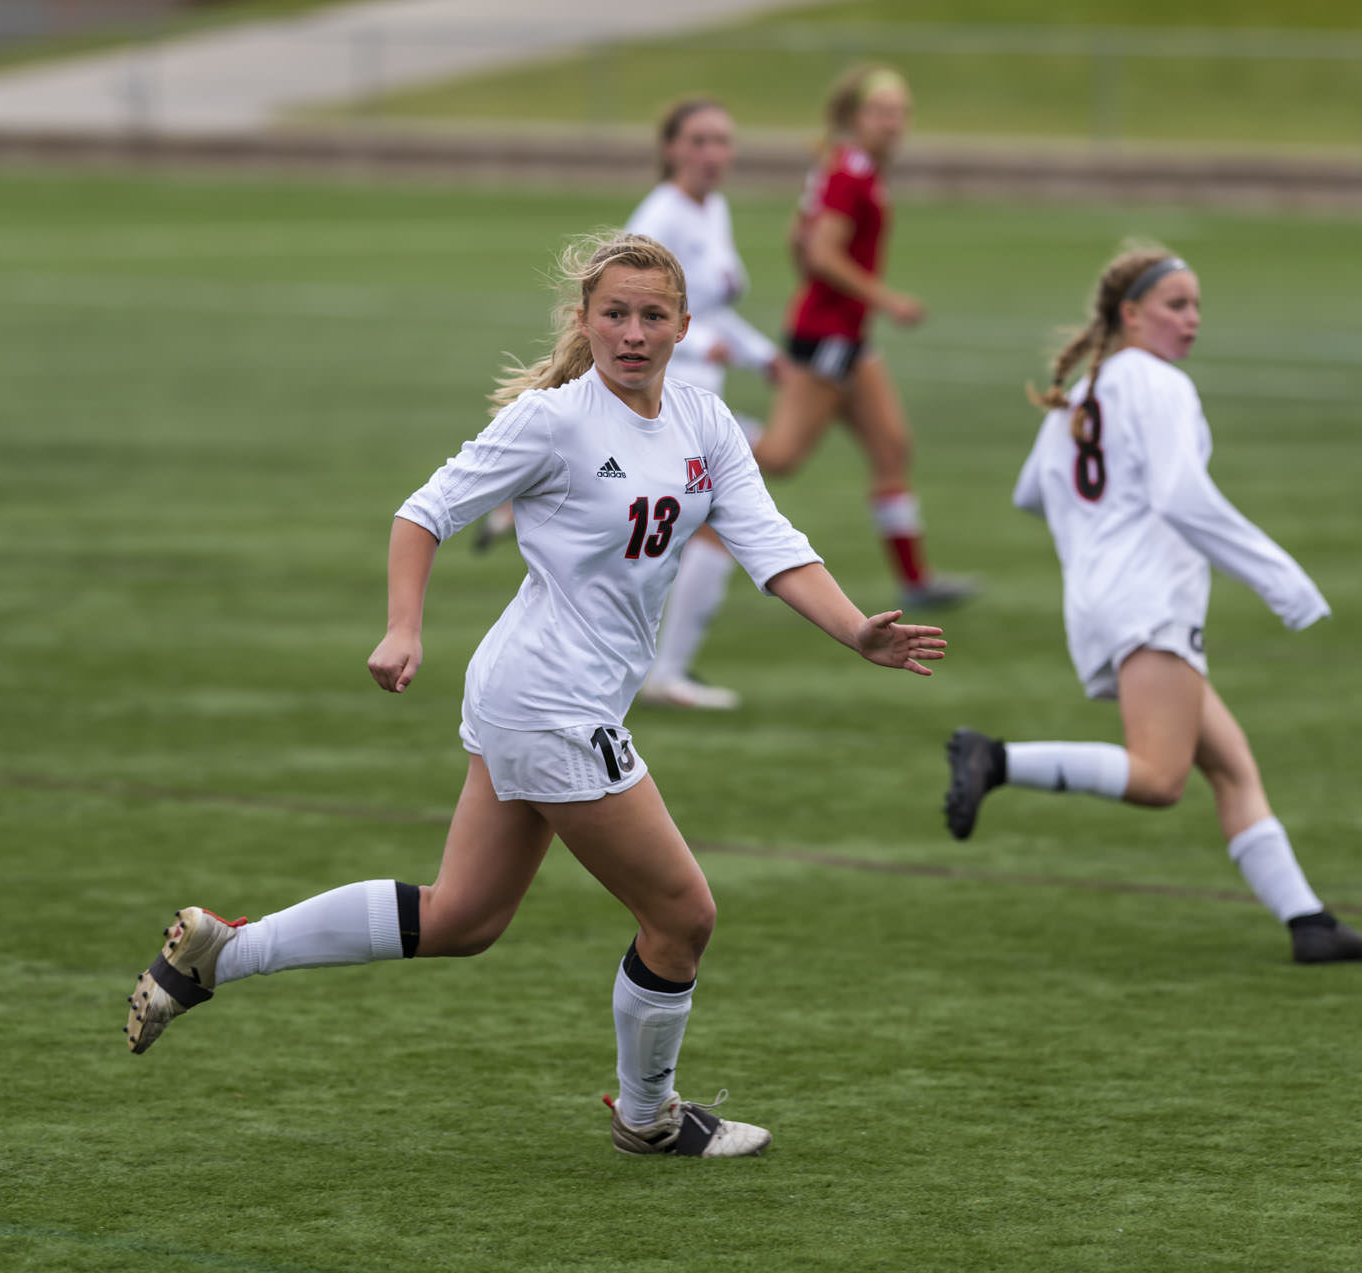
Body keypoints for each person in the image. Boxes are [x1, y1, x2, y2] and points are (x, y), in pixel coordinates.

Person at [126, 231, 948, 1157]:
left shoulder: (707, 423)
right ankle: (649, 1117)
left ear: (684, 326)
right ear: (586, 322)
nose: (632, 333)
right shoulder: (555, 420)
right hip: (549, 704)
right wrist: (404, 626)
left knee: (462, 918)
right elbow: (423, 512)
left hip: (545, 697)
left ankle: (222, 952)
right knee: (682, 914)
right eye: (614, 314)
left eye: (651, 316)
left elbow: (769, 539)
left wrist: (855, 630)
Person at [940, 244, 1362, 965]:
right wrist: (1282, 579)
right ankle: (995, 760)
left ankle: (1309, 922)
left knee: (1233, 766)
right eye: (1177, 305)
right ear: (1131, 314)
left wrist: (1095, 537)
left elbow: (1034, 491)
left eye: (1198, 306)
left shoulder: (1086, 392)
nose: (1194, 321)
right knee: (1159, 778)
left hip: (1100, 601)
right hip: (1151, 600)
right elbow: (1181, 495)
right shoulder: (1159, 384)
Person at [756, 65, 976, 611]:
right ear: (858, 117)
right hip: (828, 337)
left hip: (850, 336)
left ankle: (915, 581)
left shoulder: (851, 167)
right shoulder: (851, 172)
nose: (894, 123)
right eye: (883, 112)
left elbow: (797, 237)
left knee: (891, 448)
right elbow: (821, 252)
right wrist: (887, 298)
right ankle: (688, 454)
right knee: (780, 457)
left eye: (901, 112)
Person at [624, 96, 786, 710]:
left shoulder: (710, 208)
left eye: (723, 140)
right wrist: (709, 347)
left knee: (695, 527)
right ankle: (663, 672)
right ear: (670, 149)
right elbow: (628, 321)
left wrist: (763, 355)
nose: (713, 154)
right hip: (667, 397)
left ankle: (661, 669)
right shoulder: (658, 218)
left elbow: (710, 313)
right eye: (699, 140)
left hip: (701, 400)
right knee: (715, 522)